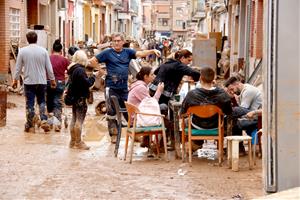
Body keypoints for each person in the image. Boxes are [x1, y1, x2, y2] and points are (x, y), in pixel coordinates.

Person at [89, 32, 161, 143]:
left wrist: (152, 51)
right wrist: (101, 70)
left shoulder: (127, 52)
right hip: (111, 86)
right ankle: (114, 134)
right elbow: (92, 61)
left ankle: (134, 133)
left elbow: (140, 53)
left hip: (123, 86)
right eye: (114, 41)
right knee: (111, 111)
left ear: (123, 42)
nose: (116, 43)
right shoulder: (107, 53)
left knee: (129, 110)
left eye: (118, 41)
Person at [12, 31, 56, 133]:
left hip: (29, 82)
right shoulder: (43, 51)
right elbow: (49, 68)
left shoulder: (23, 51)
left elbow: (18, 68)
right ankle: (44, 119)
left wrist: (15, 80)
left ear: (27, 40)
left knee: (30, 103)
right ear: (37, 39)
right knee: (42, 101)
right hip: (41, 81)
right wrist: (52, 80)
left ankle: (30, 125)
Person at [181, 67, 232, 150]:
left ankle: (192, 145)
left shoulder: (192, 94)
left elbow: (183, 112)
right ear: (214, 78)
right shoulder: (222, 94)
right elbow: (229, 112)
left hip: (197, 126)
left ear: (200, 78)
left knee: (185, 121)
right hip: (216, 126)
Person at [224, 76, 262, 153]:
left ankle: (238, 149)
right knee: (233, 119)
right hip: (252, 116)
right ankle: (238, 149)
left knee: (234, 120)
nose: (232, 92)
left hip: (257, 117)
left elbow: (241, 111)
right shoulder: (244, 91)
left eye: (232, 89)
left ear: (237, 84)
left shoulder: (248, 91)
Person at [67, 50, 96, 150]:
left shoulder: (73, 69)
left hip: (74, 97)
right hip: (80, 98)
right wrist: (93, 77)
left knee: (74, 120)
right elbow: (86, 83)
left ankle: (72, 141)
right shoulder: (80, 70)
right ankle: (78, 142)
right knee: (79, 121)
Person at [46, 39, 70, 132]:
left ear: (52, 50)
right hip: (60, 83)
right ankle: (57, 124)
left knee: (49, 101)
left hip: (48, 82)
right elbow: (70, 71)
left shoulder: (48, 58)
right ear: (61, 50)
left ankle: (49, 122)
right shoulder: (64, 60)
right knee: (58, 101)